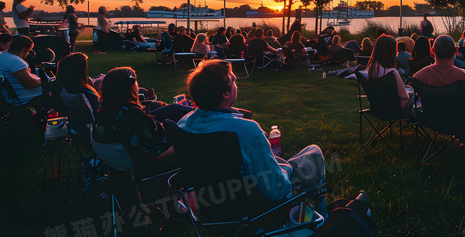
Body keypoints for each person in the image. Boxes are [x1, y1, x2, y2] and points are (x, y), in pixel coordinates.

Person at [178, 60, 329, 212]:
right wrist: (284, 172)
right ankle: (318, 221)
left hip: (215, 207)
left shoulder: (184, 123)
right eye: (233, 81)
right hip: (257, 208)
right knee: (313, 153)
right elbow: (275, 191)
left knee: (297, 158)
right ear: (225, 93)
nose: (236, 85)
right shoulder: (246, 130)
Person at [94, 67, 181, 179]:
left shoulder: (103, 114)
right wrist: (181, 144)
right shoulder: (135, 116)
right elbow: (153, 156)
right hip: (152, 168)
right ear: (129, 87)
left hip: (125, 167)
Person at [413, 35, 465, 127]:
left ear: (432, 51)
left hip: (431, 120)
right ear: (456, 51)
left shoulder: (419, 76)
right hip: (462, 122)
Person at [0, 35, 53, 110]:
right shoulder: (15, 61)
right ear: (23, 49)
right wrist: (46, 81)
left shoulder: (3, 55)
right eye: (28, 51)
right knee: (60, 92)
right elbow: (30, 84)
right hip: (27, 99)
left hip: (12, 97)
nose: (27, 54)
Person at [52, 52, 100, 135]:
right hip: (90, 130)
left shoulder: (59, 89)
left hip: (71, 126)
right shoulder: (87, 93)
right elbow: (98, 114)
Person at [367, 35, 414, 115]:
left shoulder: (371, 68)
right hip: (395, 109)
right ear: (391, 51)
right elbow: (404, 97)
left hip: (378, 107)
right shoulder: (392, 73)